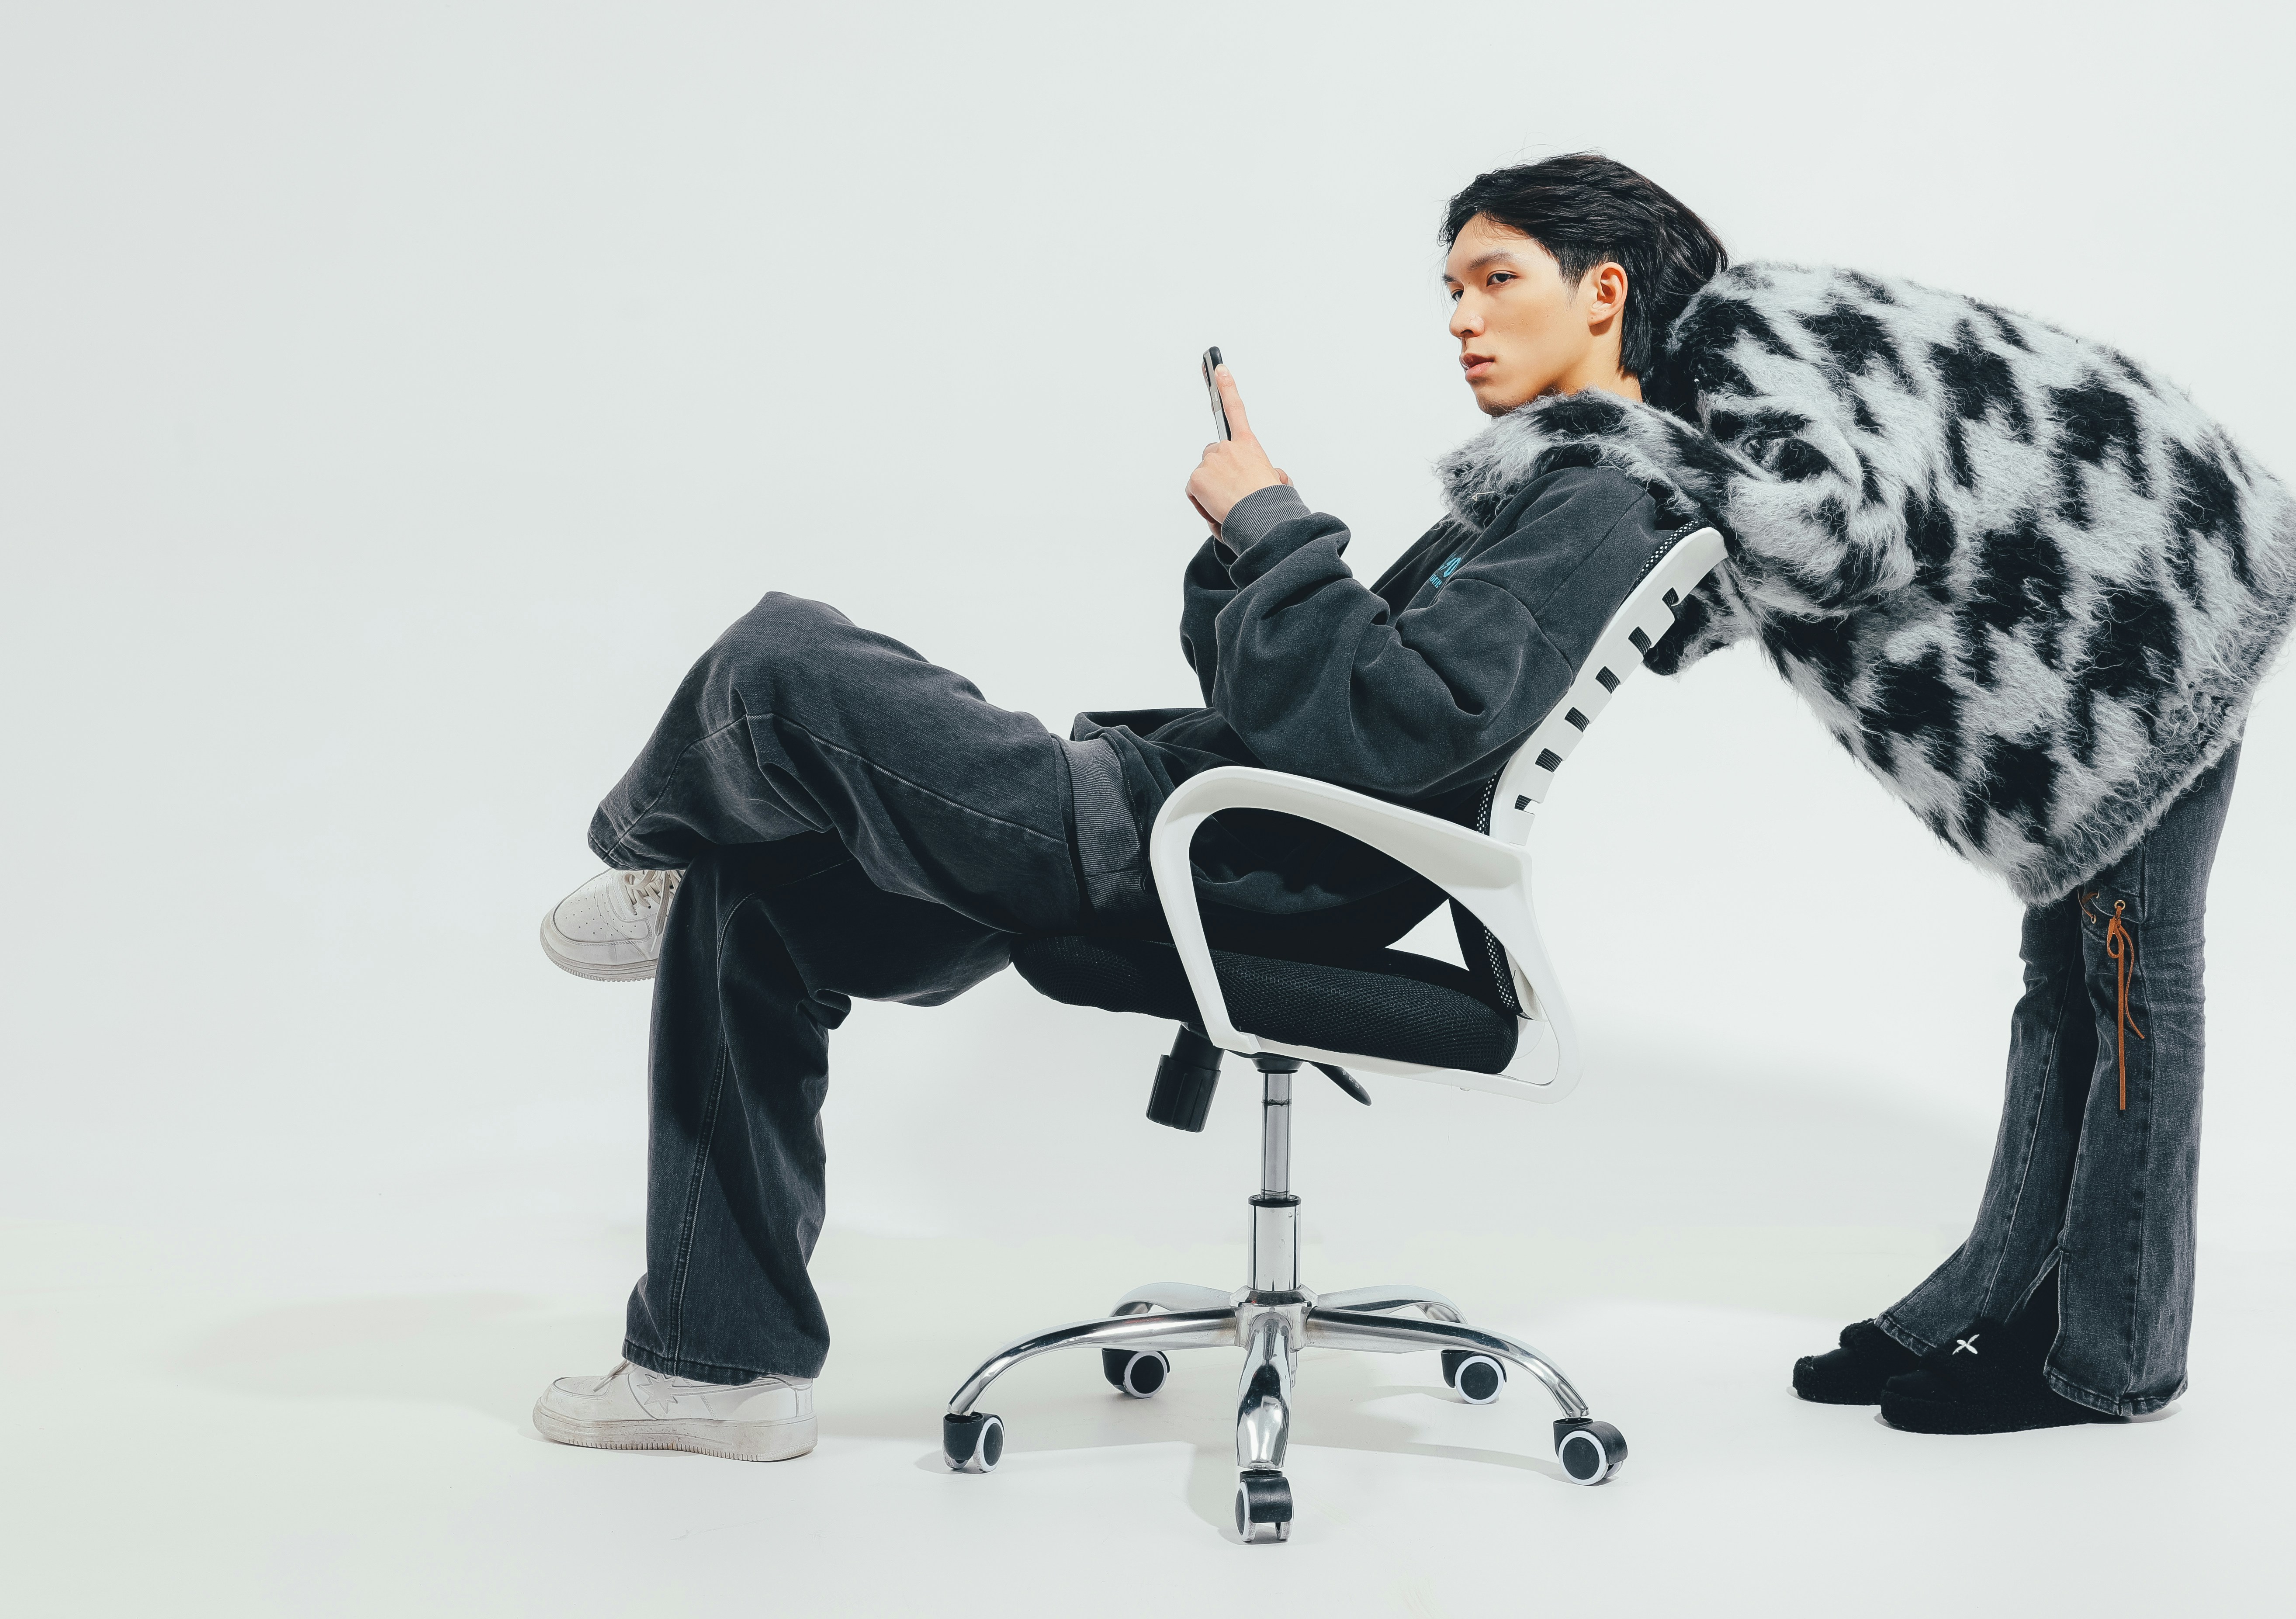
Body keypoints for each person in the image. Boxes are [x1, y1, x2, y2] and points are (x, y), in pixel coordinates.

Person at [530, 154, 1723, 1460]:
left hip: (1199, 853)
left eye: (1495, 280)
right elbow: (1306, 706)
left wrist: (1277, 529)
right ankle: (714, 1373)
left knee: (781, 662)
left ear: (1604, 294)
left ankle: (651, 851)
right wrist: (1244, 544)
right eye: (1451, 289)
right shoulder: (1541, 490)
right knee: (751, 904)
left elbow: (1397, 728)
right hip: (1200, 834)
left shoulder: (1601, 497)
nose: (1461, 318)